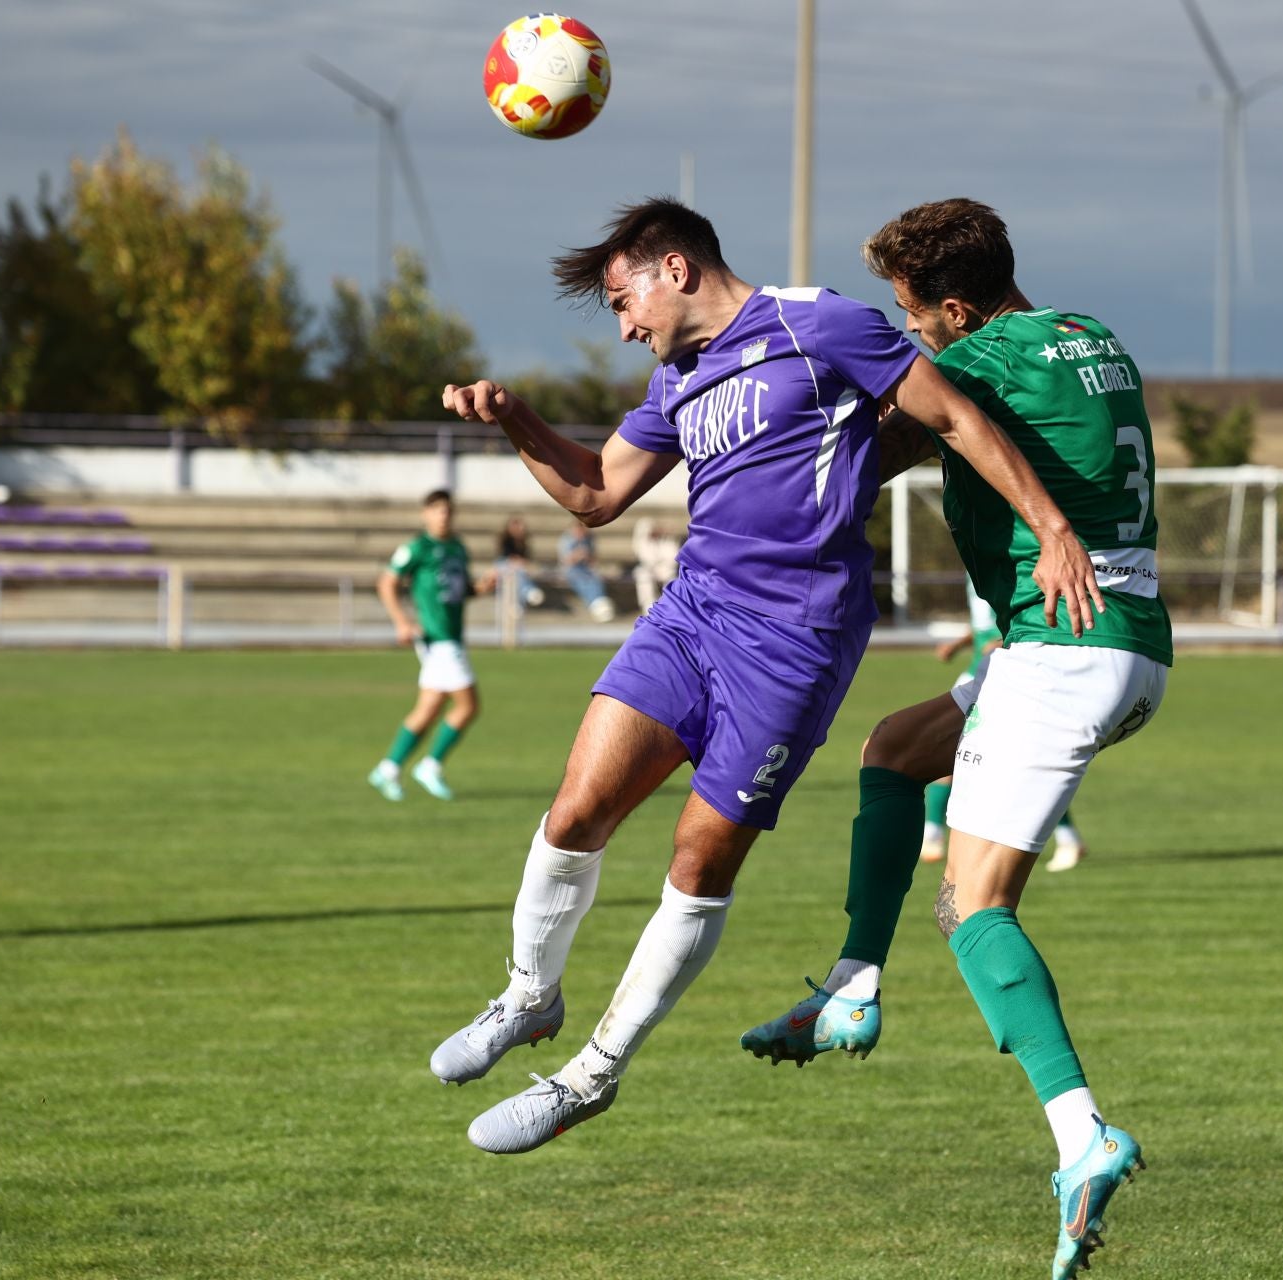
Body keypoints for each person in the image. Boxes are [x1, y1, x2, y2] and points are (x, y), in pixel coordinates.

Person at [430, 197, 1102, 1155]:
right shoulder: (679, 377)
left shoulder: (820, 324)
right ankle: (530, 995)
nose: (625, 328)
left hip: (796, 643)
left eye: (623, 302)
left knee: (697, 860)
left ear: (675, 270)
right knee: (575, 810)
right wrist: (514, 419)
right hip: (691, 616)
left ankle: (592, 1074)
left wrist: (1054, 528)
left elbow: (952, 414)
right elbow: (595, 493)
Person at [739, 199, 1173, 1279]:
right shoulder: (1090, 334)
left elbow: (877, 441)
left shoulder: (974, 361)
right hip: (1127, 642)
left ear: (957, 309)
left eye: (910, 313)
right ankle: (852, 987)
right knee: (894, 749)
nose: (909, 331)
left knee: (973, 907)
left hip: (1062, 649)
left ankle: (1082, 1135)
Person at [921, 580, 1087, 872]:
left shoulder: (1012, 563)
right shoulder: (974, 566)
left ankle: (1067, 838)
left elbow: (1033, 612)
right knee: (948, 749)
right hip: (977, 675)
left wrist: (1006, 641)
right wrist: (959, 644)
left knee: (1021, 762)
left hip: (1006, 676)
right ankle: (931, 834)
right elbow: (984, 621)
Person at [367, 489, 485, 803]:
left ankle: (388, 768)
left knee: (430, 707)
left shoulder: (458, 548)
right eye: (437, 510)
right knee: (468, 706)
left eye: (447, 510)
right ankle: (430, 766)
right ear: (425, 514)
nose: (443, 515)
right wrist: (402, 622)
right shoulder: (416, 548)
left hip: (452, 636)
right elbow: (387, 583)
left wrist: (479, 588)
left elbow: (460, 590)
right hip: (437, 639)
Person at [557, 520, 617, 622]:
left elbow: (593, 560)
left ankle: (599, 601)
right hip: (572, 570)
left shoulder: (588, 539)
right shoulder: (566, 540)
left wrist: (587, 557)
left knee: (596, 579)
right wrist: (577, 555)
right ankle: (596, 604)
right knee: (582, 581)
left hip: (586, 569)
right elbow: (566, 562)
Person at [629, 516, 681, 613]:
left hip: (665, 569)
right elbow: (645, 558)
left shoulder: (667, 540)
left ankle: (669, 604)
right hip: (648, 569)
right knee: (642, 575)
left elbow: (672, 559)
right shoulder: (642, 541)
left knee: (671, 577)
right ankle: (648, 605)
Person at [495, 515, 545, 609]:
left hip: (518, 567)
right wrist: (519, 562)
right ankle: (528, 592)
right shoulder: (505, 539)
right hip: (505, 565)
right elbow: (507, 557)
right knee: (518, 573)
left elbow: (525, 558)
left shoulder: (523, 541)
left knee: (522, 573)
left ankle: (526, 593)